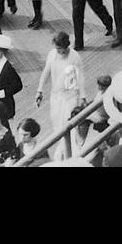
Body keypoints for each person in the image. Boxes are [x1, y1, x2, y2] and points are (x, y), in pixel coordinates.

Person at [36, 31, 86, 159]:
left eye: (60, 48)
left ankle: (66, 154)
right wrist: (39, 90)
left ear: (66, 46)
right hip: (56, 96)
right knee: (57, 126)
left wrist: (82, 97)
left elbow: (80, 78)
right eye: (56, 48)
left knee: (68, 125)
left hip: (71, 97)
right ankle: (64, 151)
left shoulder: (74, 57)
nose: (58, 51)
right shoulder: (52, 55)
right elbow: (46, 72)